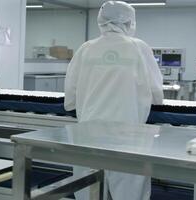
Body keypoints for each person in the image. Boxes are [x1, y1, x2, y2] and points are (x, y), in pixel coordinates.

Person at [64, 1, 164, 200]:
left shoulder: (86, 48)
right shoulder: (139, 48)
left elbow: (70, 98)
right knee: (129, 193)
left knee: (89, 191)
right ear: (129, 22)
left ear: (101, 21)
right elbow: (157, 95)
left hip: (87, 135)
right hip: (129, 137)